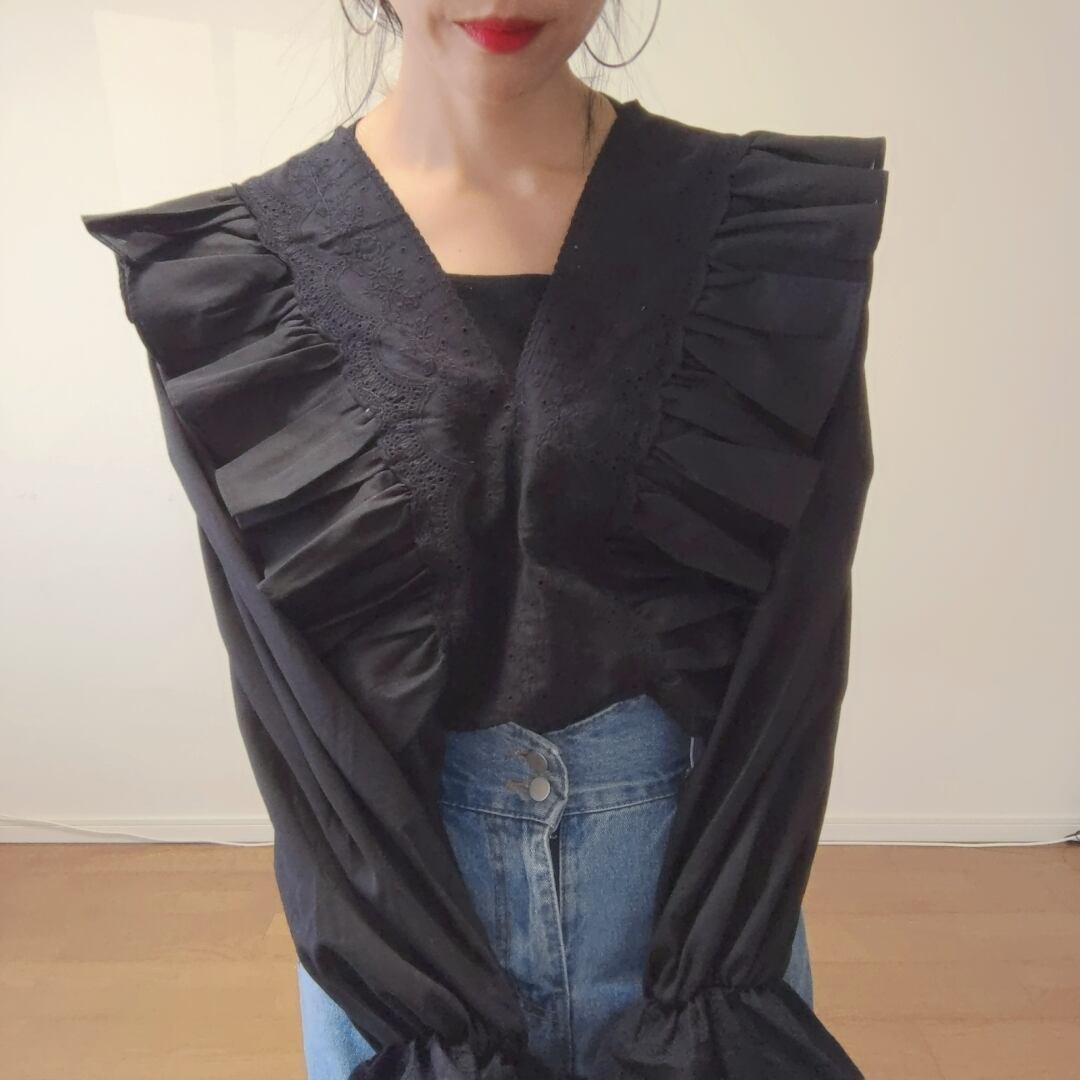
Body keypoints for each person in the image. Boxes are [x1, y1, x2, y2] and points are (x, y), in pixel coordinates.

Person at [81, 2, 889, 1077]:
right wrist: (420, 1015)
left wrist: (716, 971)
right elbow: (290, 689)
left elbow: (797, 626)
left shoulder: (754, 235)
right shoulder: (244, 283)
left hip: (698, 919)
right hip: (398, 947)